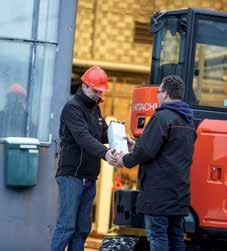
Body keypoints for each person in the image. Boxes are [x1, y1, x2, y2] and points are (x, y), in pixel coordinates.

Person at [115, 75, 196, 251]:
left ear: (166, 94)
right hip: (179, 192)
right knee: (175, 237)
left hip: (158, 194)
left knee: (157, 236)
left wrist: (125, 159)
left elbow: (146, 151)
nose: (157, 95)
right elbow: (168, 150)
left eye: (158, 92)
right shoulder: (188, 122)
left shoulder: (162, 118)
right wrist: (136, 145)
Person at [51, 66, 116, 251]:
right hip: (72, 175)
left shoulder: (95, 109)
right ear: (85, 85)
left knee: (82, 229)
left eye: (100, 91)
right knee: (66, 226)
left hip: (89, 177)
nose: (98, 95)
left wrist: (123, 140)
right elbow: (83, 137)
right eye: (95, 91)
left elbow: (104, 133)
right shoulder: (73, 108)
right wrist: (105, 153)